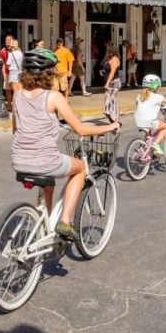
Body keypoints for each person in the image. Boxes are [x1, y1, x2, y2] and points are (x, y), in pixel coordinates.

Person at [11, 48, 120, 241]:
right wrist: (110, 127)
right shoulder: (53, 97)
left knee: (48, 182)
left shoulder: (17, 95)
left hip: (19, 161)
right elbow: (80, 129)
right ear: (48, 73)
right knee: (79, 169)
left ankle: (48, 223)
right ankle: (65, 221)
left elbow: (15, 130)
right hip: (46, 161)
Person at [134, 74, 166, 154]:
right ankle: (155, 144)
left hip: (138, 121)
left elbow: (143, 106)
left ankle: (145, 149)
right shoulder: (157, 97)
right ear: (155, 86)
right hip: (149, 121)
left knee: (149, 132)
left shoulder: (139, 95)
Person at [101, 48, 122, 122]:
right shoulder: (110, 59)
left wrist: (107, 83)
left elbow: (112, 73)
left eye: (107, 52)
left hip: (114, 83)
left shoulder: (114, 59)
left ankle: (115, 121)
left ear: (111, 52)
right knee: (109, 102)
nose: (106, 53)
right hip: (111, 82)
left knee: (111, 102)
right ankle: (113, 121)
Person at [5, 37, 24, 110]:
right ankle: (21, 106)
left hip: (13, 72)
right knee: (20, 91)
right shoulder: (20, 53)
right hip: (20, 72)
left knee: (15, 91)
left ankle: (15, 107)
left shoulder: (11, 54)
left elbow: (8, 63)